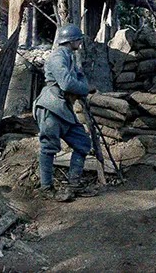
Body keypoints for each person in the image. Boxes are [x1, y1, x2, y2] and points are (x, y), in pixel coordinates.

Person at [32, 24, 96, 201]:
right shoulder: (57, 57)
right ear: (72, 40)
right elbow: (66, 83)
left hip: (63, 107)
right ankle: (46, 188)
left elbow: (77, 78)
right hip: (51, 106)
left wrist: (81, 81)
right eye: (78, 40)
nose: (80, 43)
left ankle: (74, 184)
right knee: (49, 147)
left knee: (82, 143)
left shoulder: (69, 56)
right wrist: (84, 88)